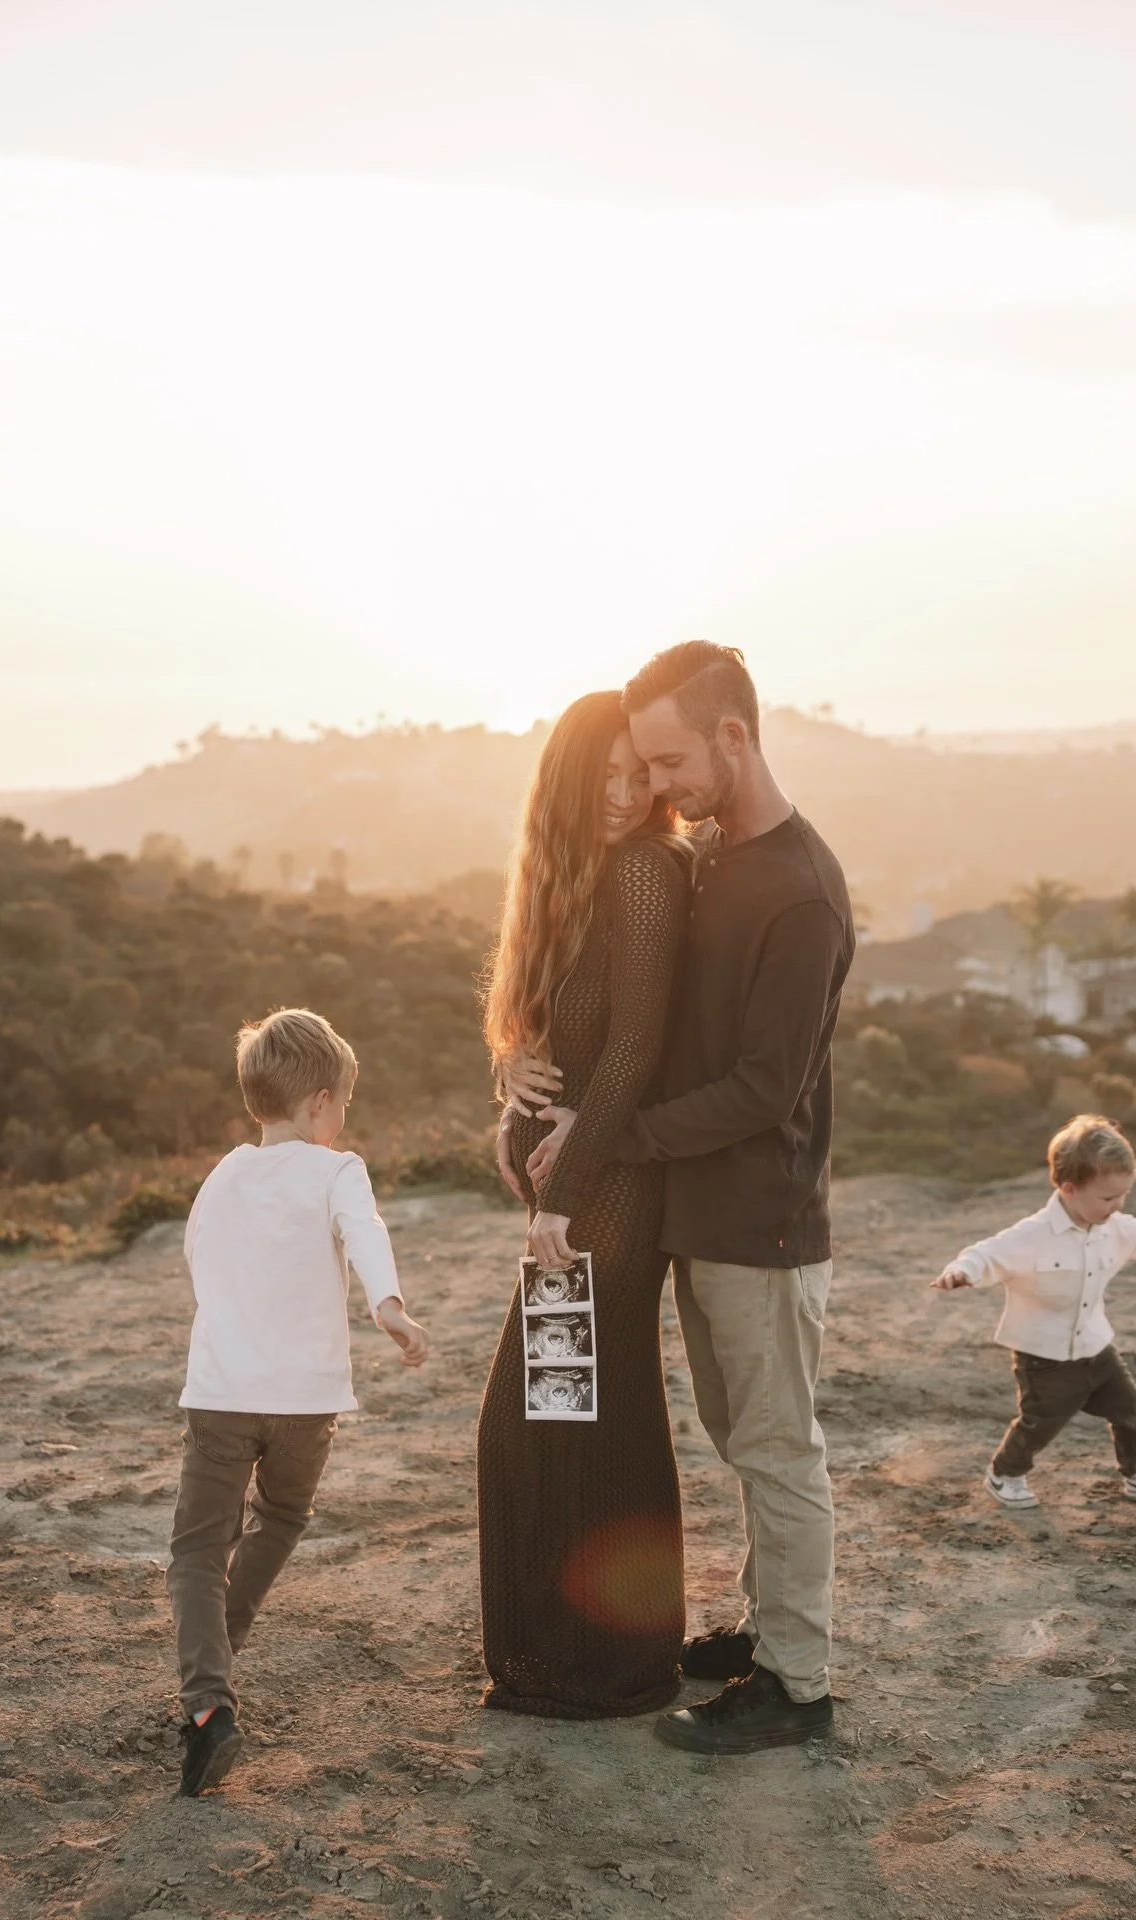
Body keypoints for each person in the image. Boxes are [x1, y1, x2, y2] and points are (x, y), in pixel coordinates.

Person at [524, 643, 856, 1755]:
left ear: (734, 737)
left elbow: (767, 1089)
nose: (657, 786)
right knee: (741, 1436)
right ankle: (768, 1631)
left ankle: (797, 1687)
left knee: (779, 1449)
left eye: (669, 762)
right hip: (702, 1215)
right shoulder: (714, 855)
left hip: (764, 1220)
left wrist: (616, 1141)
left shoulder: (800, 892)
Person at [478, 691, 692, 1718]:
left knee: (552, 1419)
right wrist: (512, 1085)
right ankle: (567, 1660)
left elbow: (636, 1048)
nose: (626, 794)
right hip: (578, 1193)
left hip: (608, 1200)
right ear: (565, 781)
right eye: (604, 776)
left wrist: (560, 1199)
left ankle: (601, 1666)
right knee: (568, 1414)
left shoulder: (646, 869)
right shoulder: (568, 880)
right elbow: (562, 1037)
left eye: (639, 775)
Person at [167, 1007, 429, 1796]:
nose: (343, 1116)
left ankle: (208, 1702)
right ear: (319, 1102)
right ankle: (220, 1653)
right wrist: (387, 1305)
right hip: (306, 1401)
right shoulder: (337, 1171)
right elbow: (366, 1233)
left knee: (197, 1550)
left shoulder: (223, 1175)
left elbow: (197, 1255)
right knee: (280, 1517)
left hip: (223, 1392)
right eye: (344, 1101)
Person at [930, 1113, 1136, 1510]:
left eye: (1123, 1195)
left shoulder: (1114, 1227)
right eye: (1107, 1198)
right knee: (1042, 1422)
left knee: (1131, 1408)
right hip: (1044, 1357)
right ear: (1068, 1188)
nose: (1117, 1206)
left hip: (1096, 1346)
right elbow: (987, 1253)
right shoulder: (1033, 1234)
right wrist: (962, 1271)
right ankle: (1005, 1474)